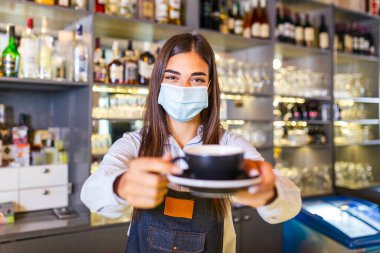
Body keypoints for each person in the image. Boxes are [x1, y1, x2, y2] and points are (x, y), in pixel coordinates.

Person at [81, 33, 301, 253]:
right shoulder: (135, 143)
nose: (184, 88)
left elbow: (289, 204)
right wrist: (121, 186)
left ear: (208, 86)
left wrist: (269, 192)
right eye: (172, 77)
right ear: (158, 82)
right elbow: (91, 193)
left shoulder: (229, 145)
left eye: (196, 79)